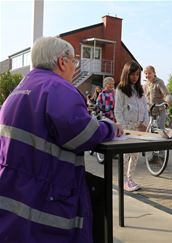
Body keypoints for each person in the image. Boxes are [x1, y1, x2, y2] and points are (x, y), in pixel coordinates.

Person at [0, 36, 123, 243]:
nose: (75, 67)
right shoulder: (58, 88)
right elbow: (83, 134)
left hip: (15, 188)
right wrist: (110, 127)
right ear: (62, 61)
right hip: (46, 194)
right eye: (74, 61)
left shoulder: (19, 89)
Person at [115, 61, 149, 191]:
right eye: (132, 74)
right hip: (127, 128)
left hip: (139, 128)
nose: (135, 77)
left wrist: (145, 123)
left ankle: (130, 179)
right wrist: (123, 127)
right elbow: (117, 110)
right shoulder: (121, 89)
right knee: (125, 155)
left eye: (137, 75)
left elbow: (145, 108)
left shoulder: (140, 90)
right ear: (126, 74)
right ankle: (123, 180)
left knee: (135, 155)